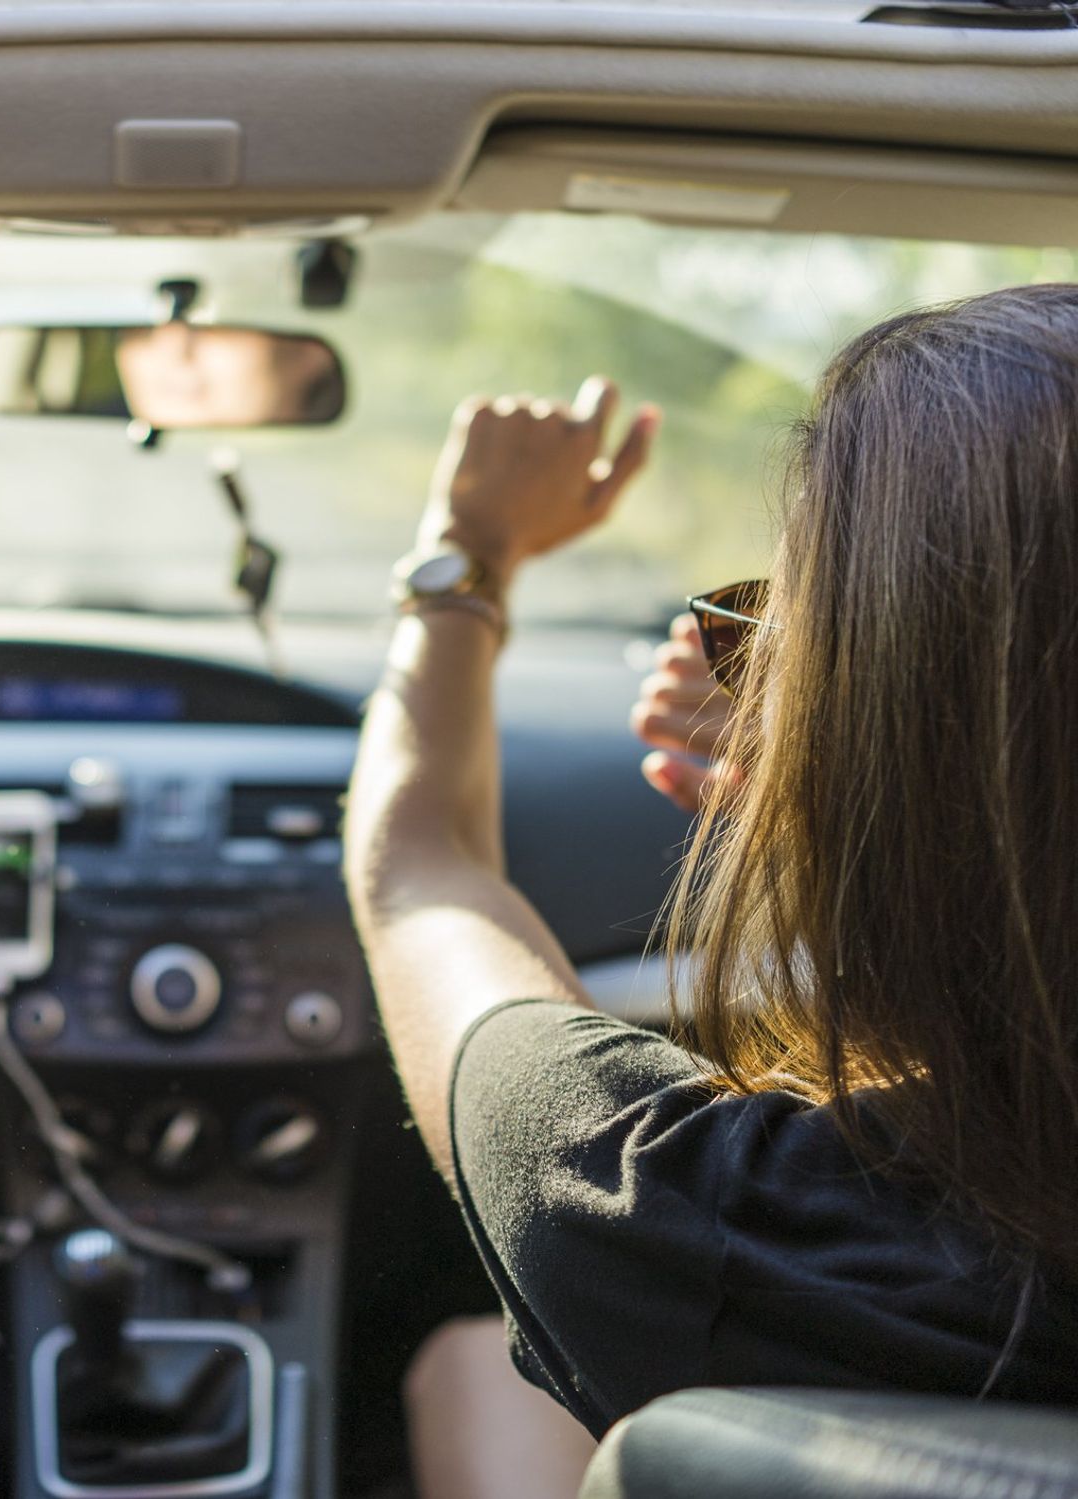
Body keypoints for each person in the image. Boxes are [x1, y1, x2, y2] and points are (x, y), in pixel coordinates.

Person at [347, 295, 1078, 1497]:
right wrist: (835, 777)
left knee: (478, 1363)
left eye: (778, 639)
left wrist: (462, 559)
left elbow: (418, 867)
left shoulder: (683, 1199)